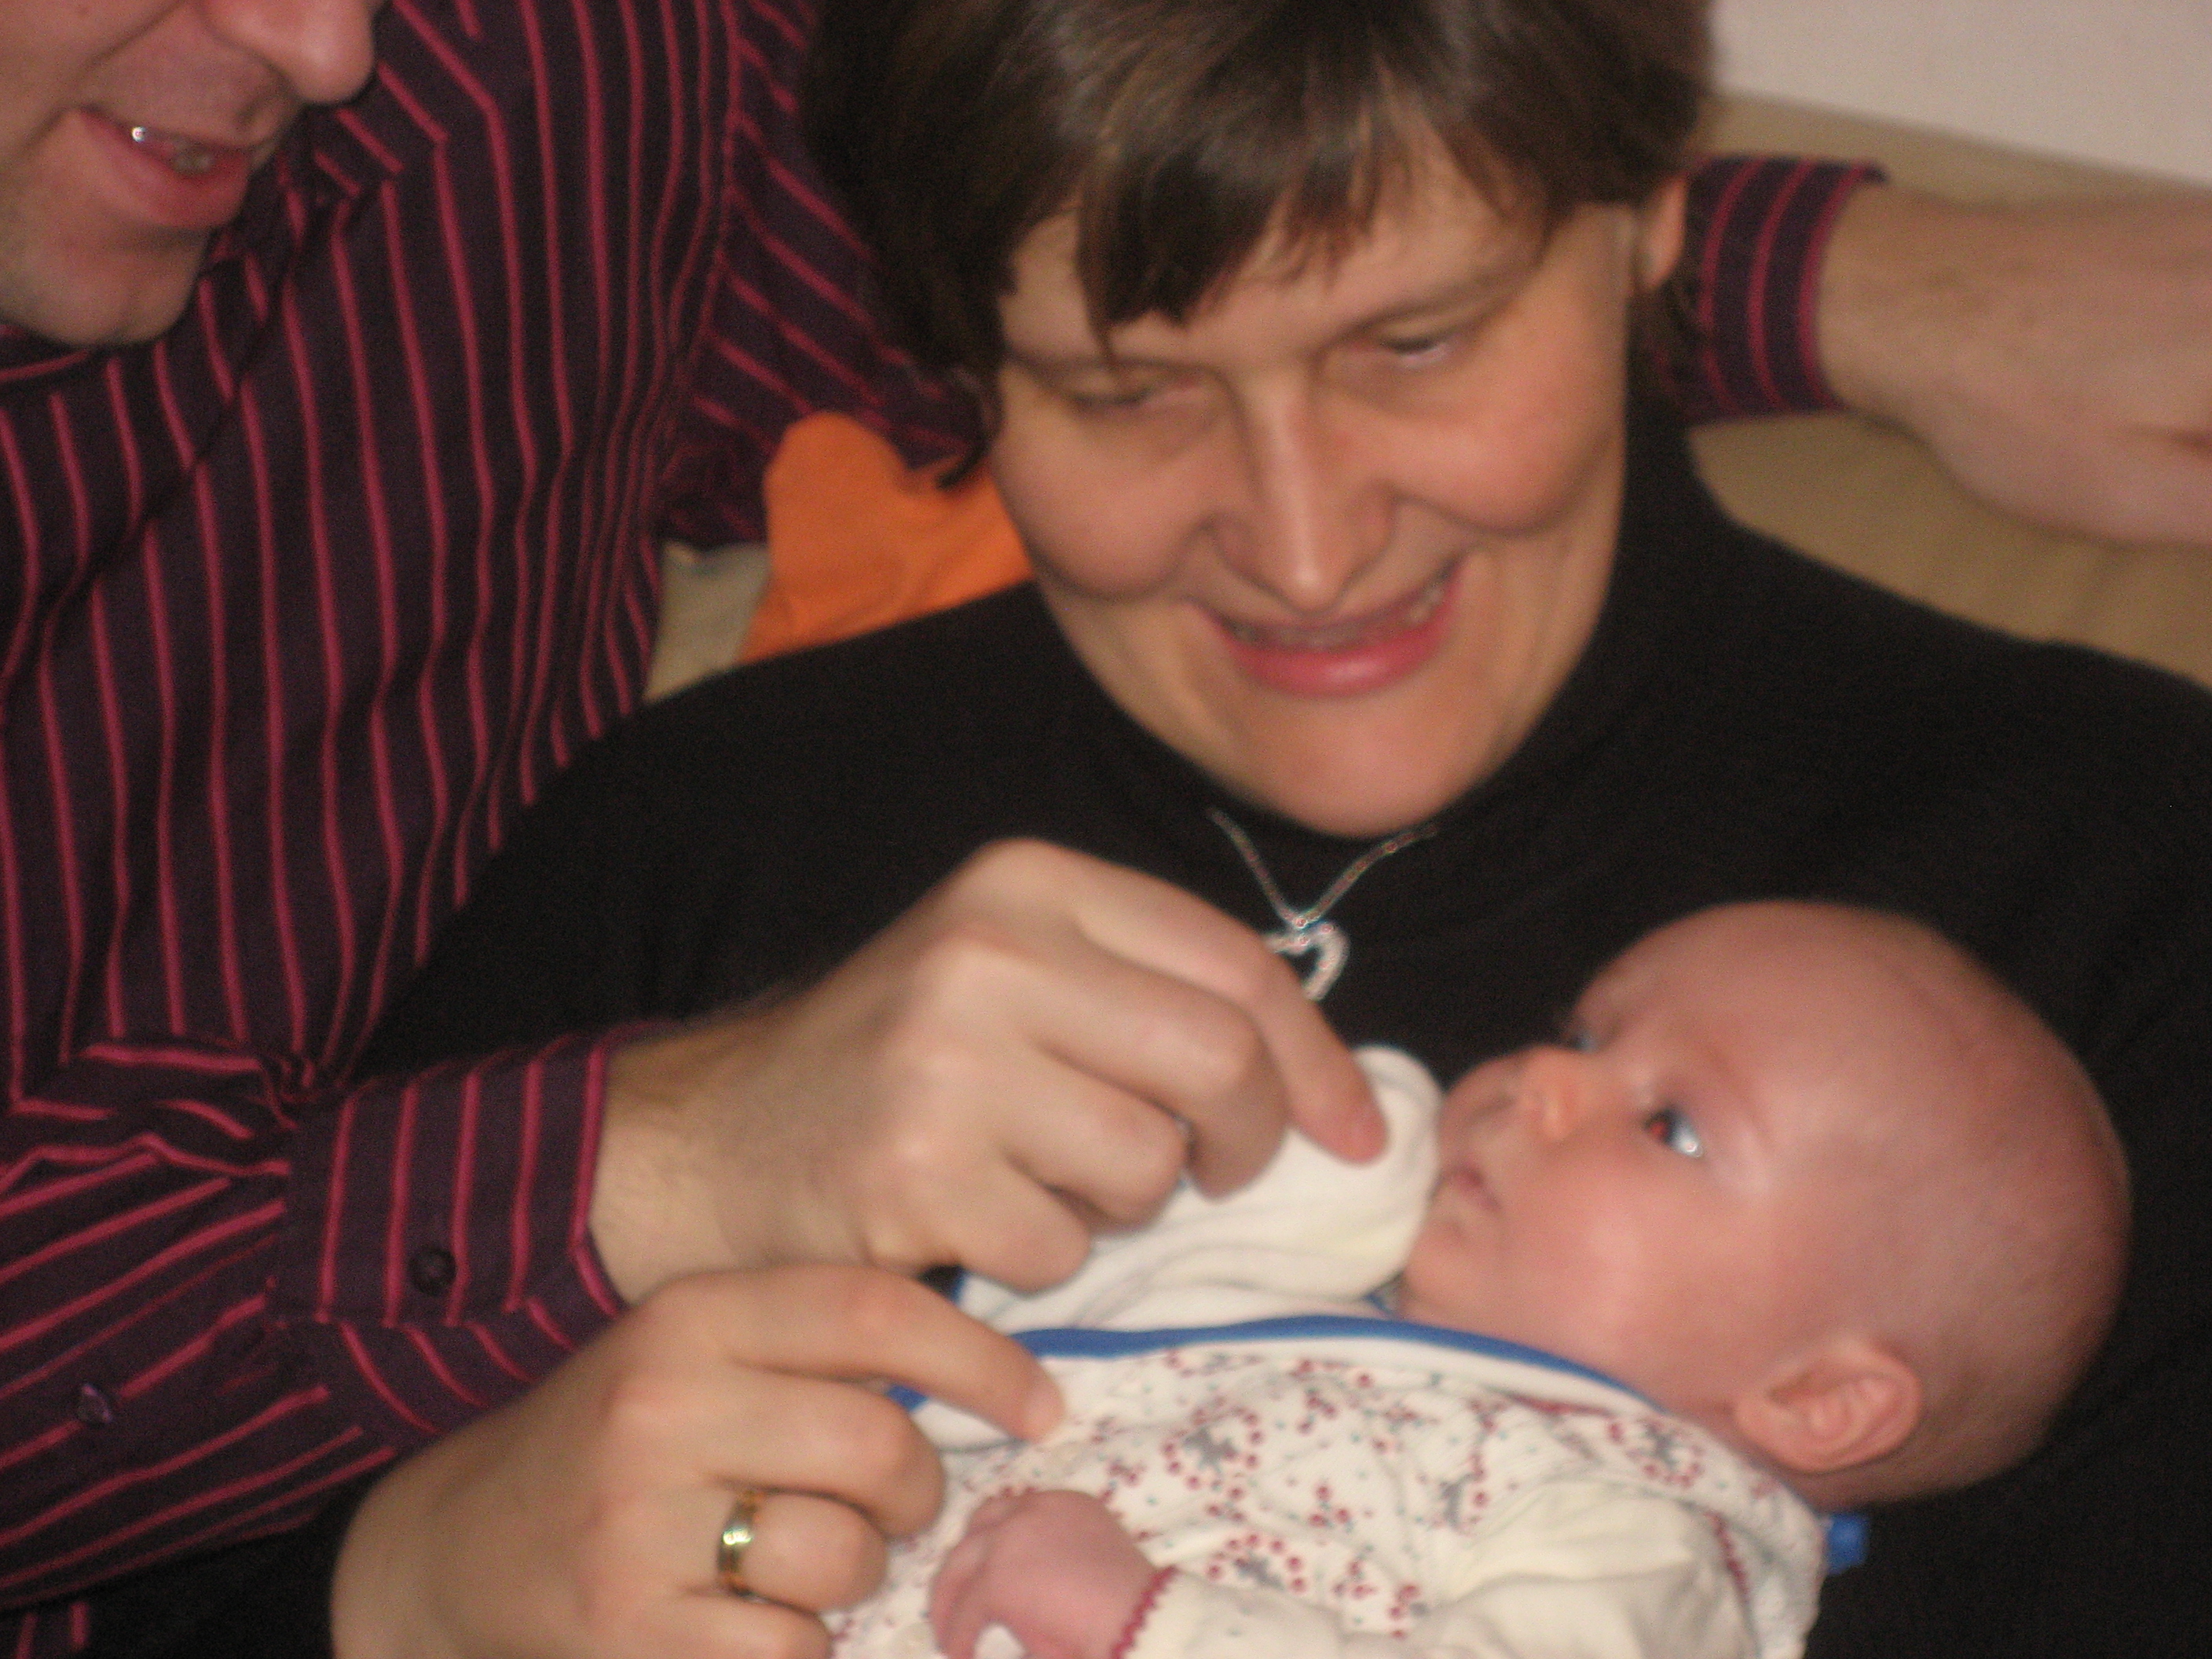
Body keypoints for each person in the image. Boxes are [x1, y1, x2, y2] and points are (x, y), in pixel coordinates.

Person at [5, 0, 2210, 1655]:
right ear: (962, 361)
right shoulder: (709, 836)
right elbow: (206, 1585)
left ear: (1646, 232)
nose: (1305, 545)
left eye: (1422, 343)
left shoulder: (2123, 879)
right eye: (1125, 391)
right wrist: (408, 1584)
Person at [859, 902, 2127, 1659]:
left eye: (1671, 1126)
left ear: (1814, 1398)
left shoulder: (1639, 1536)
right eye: (1586, 1033)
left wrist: (1152, 1626)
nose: (1546, 1077)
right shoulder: (1314, 1312)